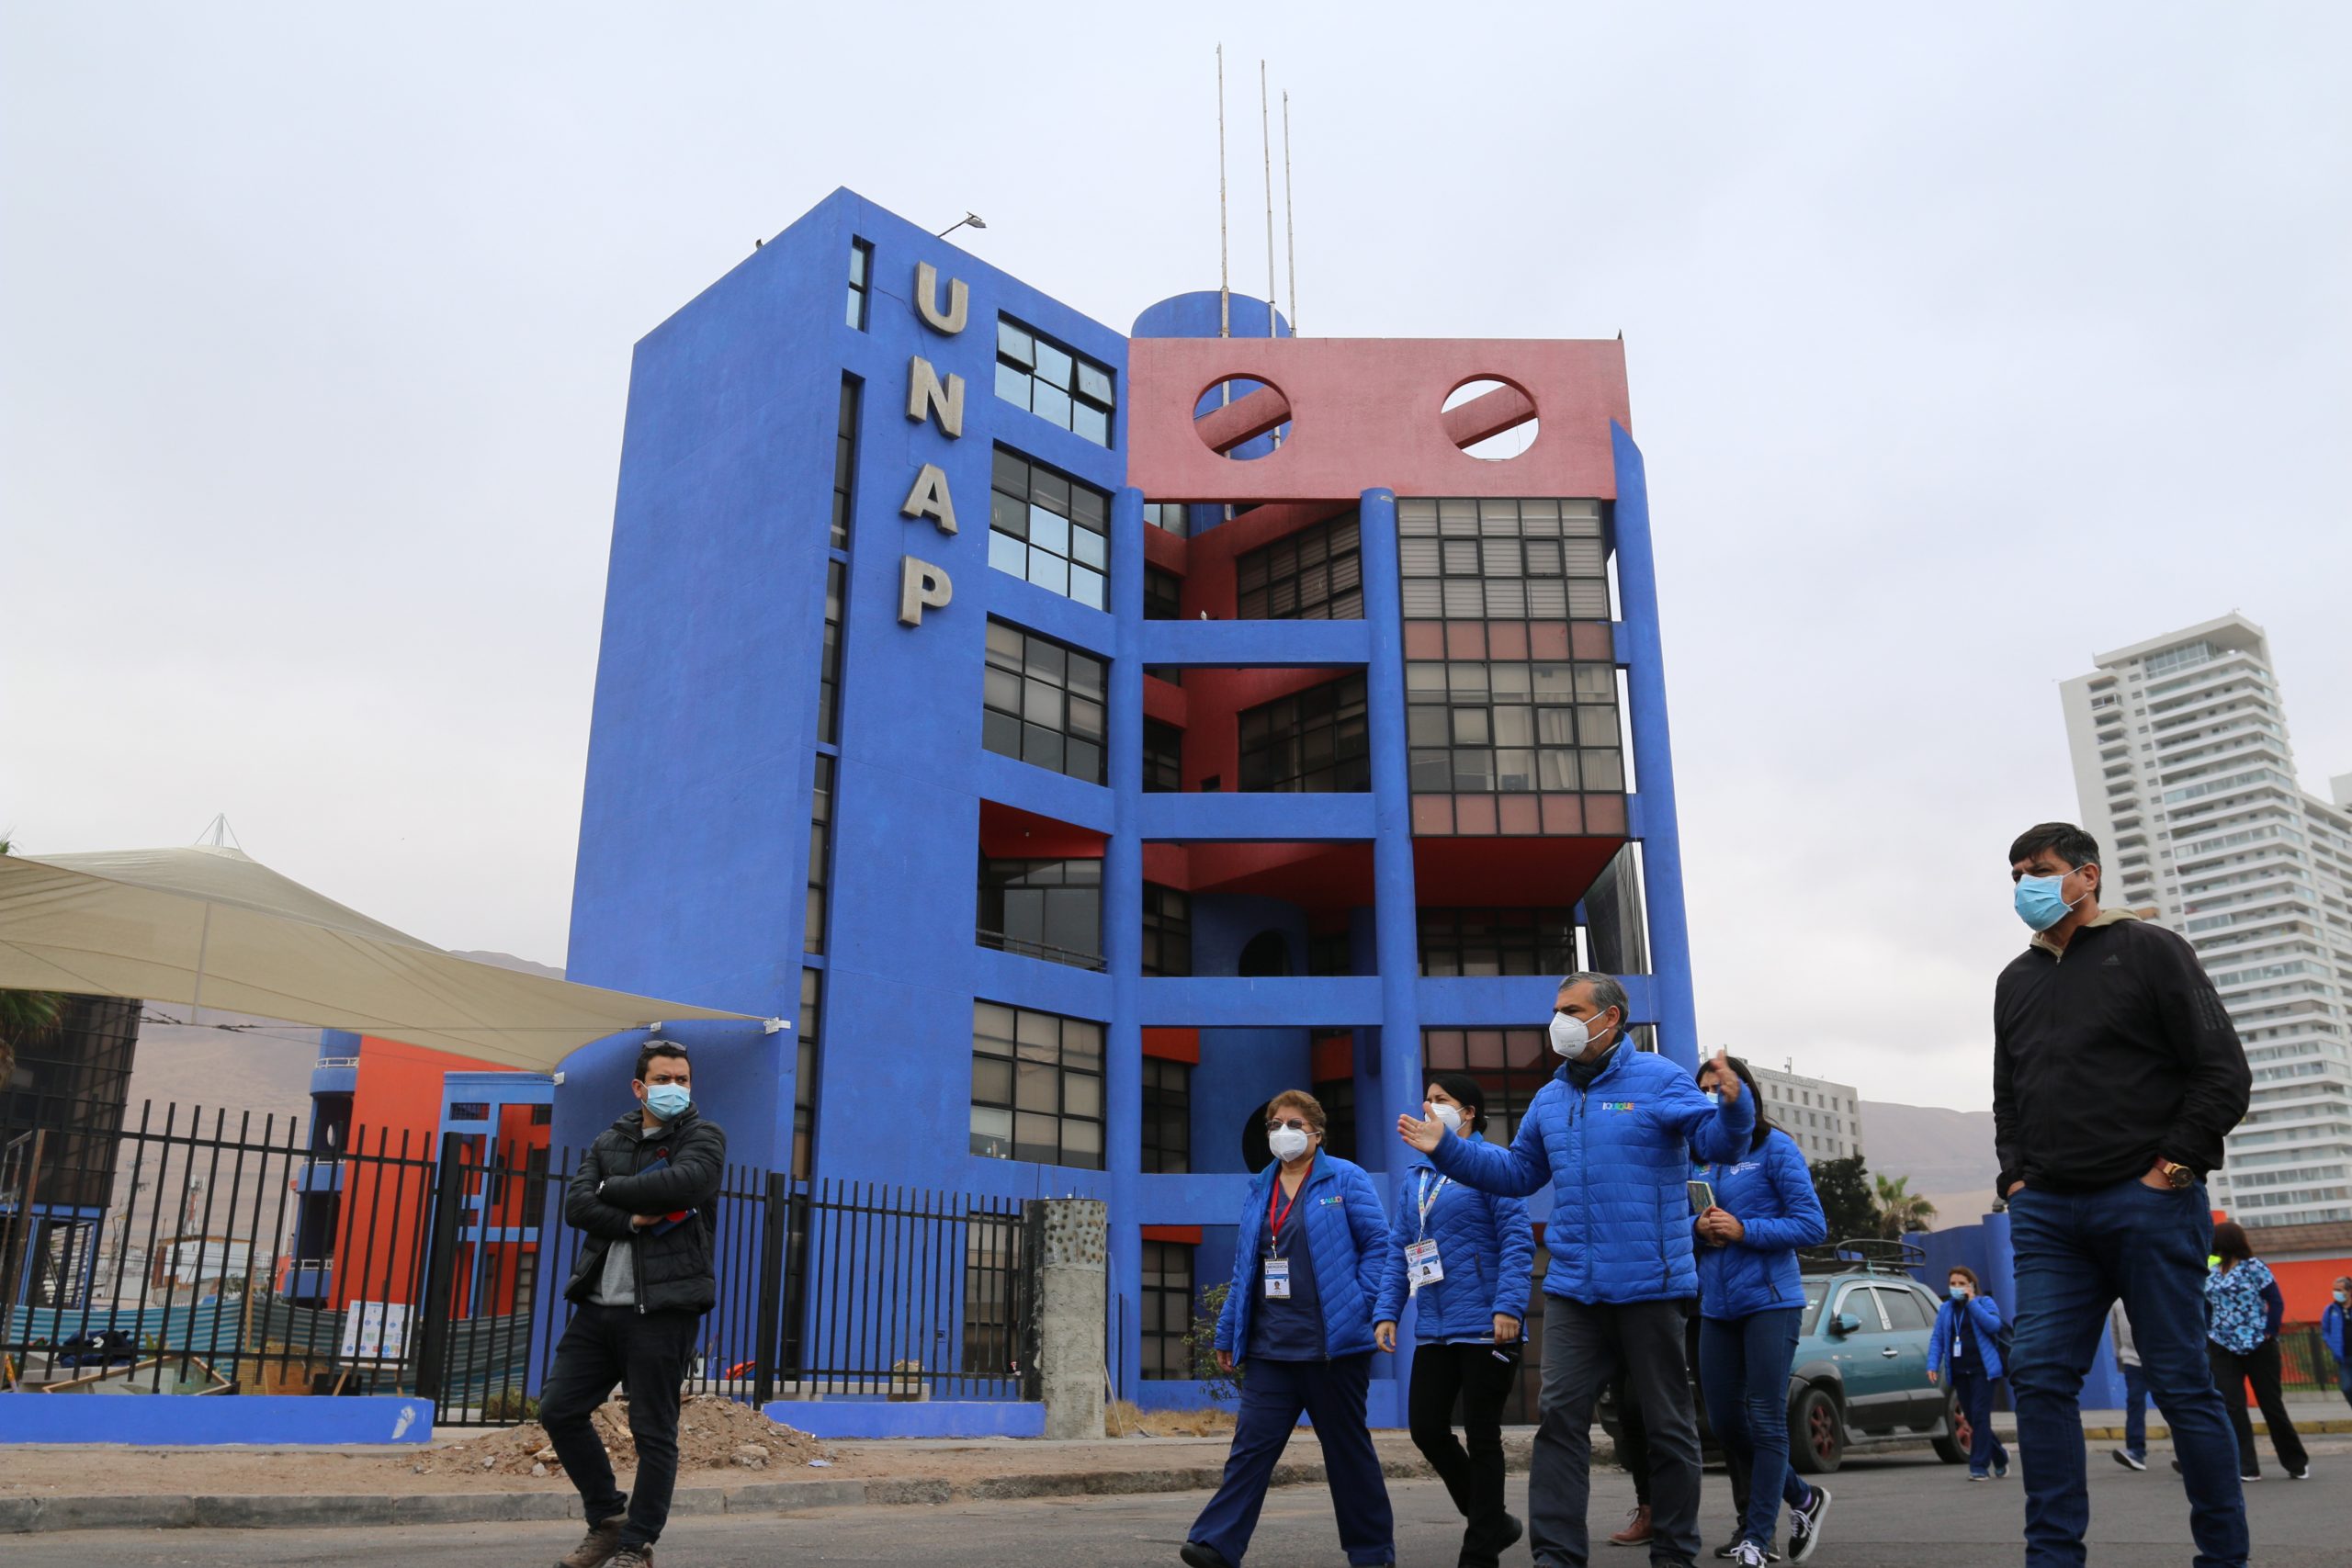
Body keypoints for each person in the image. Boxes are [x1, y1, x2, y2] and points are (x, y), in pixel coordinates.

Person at [1399, 972, 1755, 1568]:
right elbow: (1516, 1174)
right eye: (1557, 1009)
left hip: (1649, 1285)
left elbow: (1720, 1144)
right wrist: (1447, 1148)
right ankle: (1557, 1556)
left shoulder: (1659, 1078)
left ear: (1609, 1018)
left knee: (1667, 1426)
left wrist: (1736, 1105)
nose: (1558, 1021)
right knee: (1559, 1421)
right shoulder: (1550, 1097)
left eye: (1571, 1009)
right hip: (1572, 1289)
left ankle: (1674, 1553)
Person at [1994, 822, 2252, 1568]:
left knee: (2181, 1383)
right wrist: (2016, 1178)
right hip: (2049, 1215)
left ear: (2088, 875)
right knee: (2038, 1377)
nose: (2026, 886)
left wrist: (2171, 1170)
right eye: (2016, 875)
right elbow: (2008, 1094)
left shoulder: (2151, 950)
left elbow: (2223, 1072)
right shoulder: (2015, 979)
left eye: (2040, 869)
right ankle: (2053, 1559)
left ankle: (2223, 1558)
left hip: (2148, 1204)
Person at [1184, 1089, 1395, 1568]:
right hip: (1271, 1347)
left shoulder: (1346, 1178)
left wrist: (1360, 1305)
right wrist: (1227, 1330)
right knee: (1250, 1449)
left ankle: (1371, 1554)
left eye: (1295, 1124)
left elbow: (1379, 1247)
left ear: (1317, 1132)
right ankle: (1216, 1543)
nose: (1284, 1132)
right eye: (1276, 1124)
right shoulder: (1260, 1187)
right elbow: (1246, 1266)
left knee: (1347, 1454)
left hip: (1332, 1349)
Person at [542, 1040, 727, 1568]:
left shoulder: (703, 1136)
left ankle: (635, 1544)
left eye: (683, 1079)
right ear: (639, 1087)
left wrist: (610, 1187)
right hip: (598, 1304)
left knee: (653, 1431)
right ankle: (608, 1519)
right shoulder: (610, 1139)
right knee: (559, 1409)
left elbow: (687, 1184)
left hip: (663, 1308)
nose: (675, 1088)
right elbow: (577, 1206)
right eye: (664, 1079)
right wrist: (630, 1217)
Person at [1373, 1073, 1535, 1568]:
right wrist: (1387, 1311)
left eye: (1440, 1100)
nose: (1429, 1105)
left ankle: (1480, 1552)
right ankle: (1493, 1521)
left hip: (1488, 1324)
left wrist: (1508, 1306)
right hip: (1436, 1327)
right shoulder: (1417, 1177)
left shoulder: (1493, 1165)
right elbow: (1400, 1249)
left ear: (1467, 1113)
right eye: (1426, 1098)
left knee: (1482, 1435)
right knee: (1426, 1428)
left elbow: (1518, 1241)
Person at [1690, 1053, 1832, 1566]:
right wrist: (1696, 1230)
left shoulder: (1776, 1148)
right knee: (1726, 1423)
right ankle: (1804, 1498)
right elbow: (1679, 1227)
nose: (1713, 1097)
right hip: (1716, 1306)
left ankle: (1757, 1536)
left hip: (1771, 1302)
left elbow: (1812, 1226)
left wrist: (1744, 1230)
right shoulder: (1695, 1155)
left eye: (1722, 1088)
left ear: (1746, 1093)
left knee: (1766, 1419)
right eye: (1705, 1090)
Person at [2202, 1221, 2310, 1482]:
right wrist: (2208, 1331)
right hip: (2223, 1346)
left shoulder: (2254, 1267)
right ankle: (2247, 1467)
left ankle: (2296, 1462)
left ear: (2226, 1241)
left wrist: (2269, 1331)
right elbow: (2207, 1304)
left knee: (2271, 1406)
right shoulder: (2213, 1272)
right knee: (2233, 1407)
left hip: (2258, 1345)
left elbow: (2275, 1300)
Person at [1927, 1266, 2012, 1483]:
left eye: (1961, 1284)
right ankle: (2000, 1456)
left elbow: (1993, 1326)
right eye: (1953, 1284)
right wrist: (1932, 1364)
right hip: (1959, 1371)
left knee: (1981, 1416)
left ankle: (1979, 1466)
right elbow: (1937, 1338)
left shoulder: (1984, 1303)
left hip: (1983, 1371)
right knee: (1973, 1419)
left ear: (1971, 1285)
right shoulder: (1946, 1309)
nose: (1956, 1288)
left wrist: (1972, 1303)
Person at [2108, 1299, 2151, 1470]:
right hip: (2131, 1359)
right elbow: (2114, 1330)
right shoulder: (2117, 1303)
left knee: (2173, 1403)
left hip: (2157, 1358)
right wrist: (2120, 1357)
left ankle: (2186, 1452)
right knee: (2134, 1402)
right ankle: (2135, 1451)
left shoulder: (2152, 1294)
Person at [2324, 1277, 2352, 1415]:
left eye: (2339, 1290)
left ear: (2349, 1291)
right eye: (2334, 1289)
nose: (2336, 1293)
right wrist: (2333, 1346)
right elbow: (2326, 1331)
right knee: (2346, 1387)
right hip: (2344, 1358)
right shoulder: (2331, 1310)